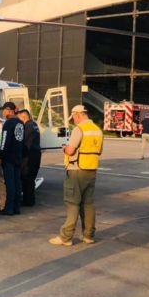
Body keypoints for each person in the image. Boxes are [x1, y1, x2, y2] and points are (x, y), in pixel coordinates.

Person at [50, 105, 103, 246]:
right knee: (88, 204)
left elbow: (70, 151)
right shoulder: (97, 130)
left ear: (78, 115)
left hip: (76, 170)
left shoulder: (79, 129)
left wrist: (65, 148)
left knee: (72, 203)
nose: (74, 120)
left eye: (74, 117)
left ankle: (66, 237)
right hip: (91, 169)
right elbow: (99, 151)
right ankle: (88, 235)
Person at [0, 102, 24, 216]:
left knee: (10, 183)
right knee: (17, 182)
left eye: (4, 110)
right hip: (18, 156)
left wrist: (1, 155)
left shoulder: (8, 123)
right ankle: (16, 207)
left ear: (8, 110)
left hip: (9, 157)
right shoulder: (20, 123)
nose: (3, 112)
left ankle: (9, 208)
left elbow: (5, 141)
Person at [18, 109, 41, 207]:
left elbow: (25, 143)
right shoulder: (34, 125)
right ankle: (30, 199)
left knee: (26, 178)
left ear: (23, 117)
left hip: (29, 156)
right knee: (31, 178)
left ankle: (28, 201)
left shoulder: (27, 127)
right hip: (36, 154)